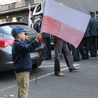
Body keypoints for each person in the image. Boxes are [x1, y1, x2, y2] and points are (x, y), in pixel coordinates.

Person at [11, 25, 42, 98]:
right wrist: (36, 40)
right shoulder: (18, 45)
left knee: (21, 89)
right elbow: (29, 48)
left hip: (20, 70)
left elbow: (28, 47)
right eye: (24, 33)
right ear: (19, 35)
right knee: (24, 89)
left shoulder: (17, 44)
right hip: (22, 71)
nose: (25, 35)